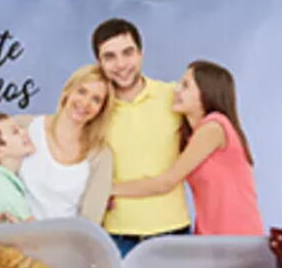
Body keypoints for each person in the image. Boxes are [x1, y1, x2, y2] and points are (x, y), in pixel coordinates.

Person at [109, 60, 263, 236]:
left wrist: (107, 189)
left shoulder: (214, 127)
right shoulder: (194, 135)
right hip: (210, 235)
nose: (176, 90)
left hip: (236, 234)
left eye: (186, 85)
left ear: (206, 92)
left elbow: (165, 183)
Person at [0, 65, 114, 224]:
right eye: (81, 91)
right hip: (13, 238)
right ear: (68, 92)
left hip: (62, 239)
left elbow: (90, 222)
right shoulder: (24, 127)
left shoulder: (100, 155)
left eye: (96, 99)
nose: (85, 102)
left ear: (101, 109)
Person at [92, 19, 190, 256]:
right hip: (117, 236)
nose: (121, 64)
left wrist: (108, 189)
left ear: (141, 54)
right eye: (110, 57)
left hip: (174, 231)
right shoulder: (94, 108)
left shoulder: (173, 96)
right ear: (99, 63)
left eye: (128, 53)